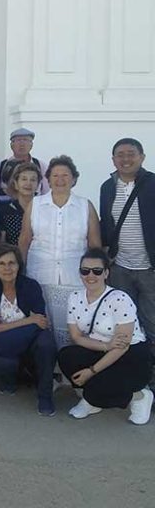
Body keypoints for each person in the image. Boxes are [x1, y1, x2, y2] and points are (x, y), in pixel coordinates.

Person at [58, 249, 153, 424]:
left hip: (130, 355)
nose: (90, 275)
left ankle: (138, 396)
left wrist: (91, 371)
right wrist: (106, 346)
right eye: (85, 271)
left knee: (97, 383)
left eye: (97, 271)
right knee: (66, 356)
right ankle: (95, 399)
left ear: (106, 273)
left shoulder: (120, 299)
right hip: (102, 348)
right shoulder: (75, 297)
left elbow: (122, 346)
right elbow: (76, 337)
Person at [20, 155, 101, 338]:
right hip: (39, 274)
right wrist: (21, 271)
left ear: (74, 179)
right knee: (42, 324)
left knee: (74, 325)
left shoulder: (85, 206)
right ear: (48, 179)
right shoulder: (36, 204)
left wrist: (95, 274)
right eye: (55, 176)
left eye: (65, 175)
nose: (60, 180)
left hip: (74, 276)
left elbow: (95, 244)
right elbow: (25, 240)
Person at [100, 138, 155, 382]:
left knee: (152, 325)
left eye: (131, 153)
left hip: (150, 268)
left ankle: (151, 381)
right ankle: (132, 378)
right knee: (126, 327)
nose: (125, 159)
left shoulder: (152, 184)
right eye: (119, 155)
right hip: (120, 267)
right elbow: (106, 224)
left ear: (142, 157)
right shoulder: (107, 187)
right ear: (113, 160)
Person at [0, 245, 57, 416]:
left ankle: (45, 397)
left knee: (46, 342)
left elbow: (41, 323)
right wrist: (29, 320)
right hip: (7, 349)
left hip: (27, 345)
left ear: (19, 265)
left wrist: (5, 331)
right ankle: (11, 379)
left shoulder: (31, 286)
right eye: (1, 263)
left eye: (11, 263)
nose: (7, 268)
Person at [0, 127, 48, 200]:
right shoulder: (0, 166)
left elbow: (47, 193)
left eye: (25, 140)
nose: (22, 144)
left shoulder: (41, 166)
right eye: (18, 140)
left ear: (31, 145)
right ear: (11, 145)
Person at [0, 161, 41, 246]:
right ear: (16, 184)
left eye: (33, 180)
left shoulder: (43, 209)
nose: (28, 183)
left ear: (38, 185)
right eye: (24, 179)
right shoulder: (5, 210)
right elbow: (2, 242)